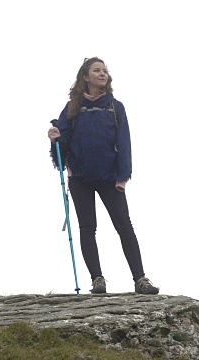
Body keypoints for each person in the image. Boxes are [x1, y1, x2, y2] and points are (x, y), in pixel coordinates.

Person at [47, 57, 159, 295]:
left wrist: (122, 178)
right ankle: (97, 280)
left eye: (105, 70)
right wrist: (56, 137)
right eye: (96, 70)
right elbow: (64, 142)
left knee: (124, 227)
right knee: (88, 228)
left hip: (110, 177)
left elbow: (124, 143)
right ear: (85, 77)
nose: (102, 74)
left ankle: (140, 279)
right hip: (80, 177)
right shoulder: (72, 108)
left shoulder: (115, 106)